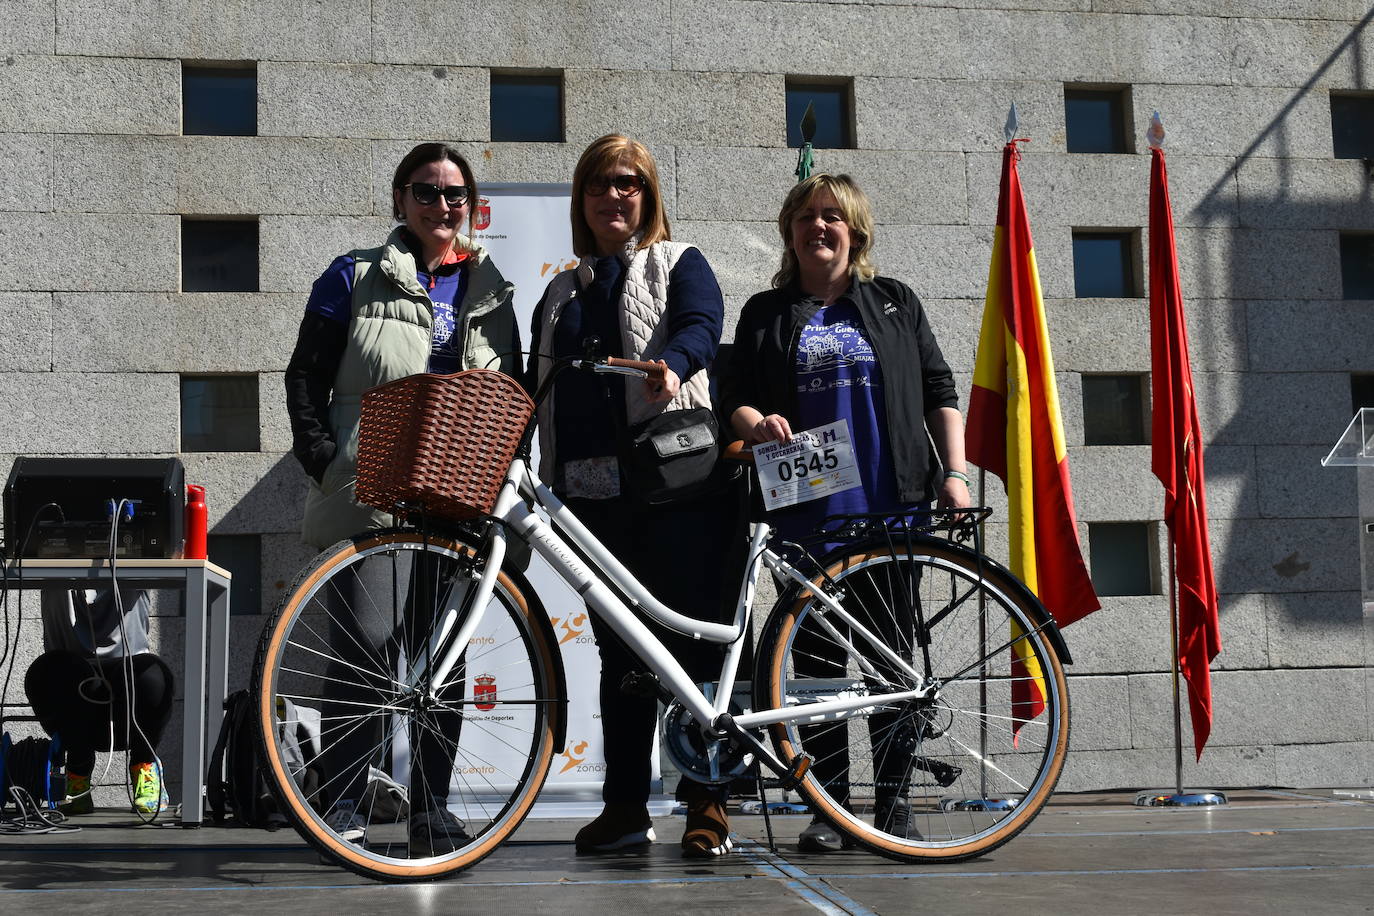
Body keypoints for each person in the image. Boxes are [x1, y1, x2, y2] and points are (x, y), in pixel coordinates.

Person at [720, 172, 972, 852]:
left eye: (831, 215)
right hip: (805, 513)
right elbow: (734, 398)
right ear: (789, 232)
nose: (817, 227)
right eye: (805, 216)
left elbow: (939, 389)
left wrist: (955, 472)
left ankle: (892, 810)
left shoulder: (894, 303)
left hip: (891, 511)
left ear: (854, 229)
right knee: (817, 669)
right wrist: (758, 422)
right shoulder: (765, 314)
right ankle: (829, 811)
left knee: (893, 665)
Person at [284, 142, 519, 854]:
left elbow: (511, 395)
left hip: (458, 499)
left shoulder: (492, 286)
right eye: (426, 191)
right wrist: (328, 463)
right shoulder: (353, 274)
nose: (441, 206)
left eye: (454, 195)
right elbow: (305, 378)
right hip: (374, 491)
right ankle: (345, 802)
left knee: (443, 659)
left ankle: (430, 808)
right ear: (399, 200)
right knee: (368, 646)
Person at [527, 134, 740, 859]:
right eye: (598, 185)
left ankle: (707, 803)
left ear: (648, 197)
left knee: (689, 649)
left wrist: (674, 367)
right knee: (619, 659)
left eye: (628, 184)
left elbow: (700, 328)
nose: (613, 196)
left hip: (682, 489)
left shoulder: (681, 262)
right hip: (591, 501)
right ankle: (624, 806)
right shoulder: (560, 291)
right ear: (581, 202)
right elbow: (538, 386)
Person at [24, 588, 174, 816]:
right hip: (73, 689)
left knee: (154, 675)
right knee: (46, 671)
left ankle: (144, 764)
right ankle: (78, 772)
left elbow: (173, 556)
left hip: (127, 694)